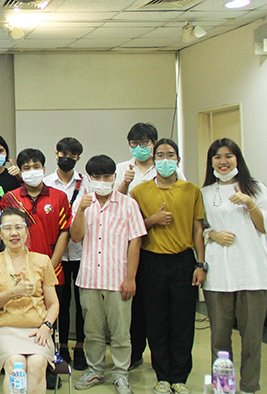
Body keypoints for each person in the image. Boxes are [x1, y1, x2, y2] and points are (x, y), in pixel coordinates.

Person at [129, 138, 206, 394]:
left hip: (183, 261)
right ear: (153, 158)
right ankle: (162, 375)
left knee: (183, 320)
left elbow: (197, 229)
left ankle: (180, 377)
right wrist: (153, 220)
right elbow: (133, 231)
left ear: (177, 159)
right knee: (156, 320)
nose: (165, 159)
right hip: (152, 262)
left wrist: (200, 263)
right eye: (159, 155)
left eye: (170, 154)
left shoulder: (191, 190)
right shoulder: (139, 191)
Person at [69, 155, 147, 394]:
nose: (102, 181)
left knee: (121, 331)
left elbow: (135, 242)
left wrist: (131, 277)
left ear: (115, 177)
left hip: (118, 278)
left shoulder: (128, 204)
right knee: (92, 331)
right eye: (97, 177)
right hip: (89, 278)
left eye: (107, 176)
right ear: (90, 179)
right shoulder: (83, 202)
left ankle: (121, 374)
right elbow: (76, 236)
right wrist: (81, 211)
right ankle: (95, 371)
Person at [111, 123, 185, 370]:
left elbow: (180, 202)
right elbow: (112, 208)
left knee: (158, 306)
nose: (140, 148)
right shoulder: (122, 169)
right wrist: (124, 183)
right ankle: (134, 354)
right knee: (134, 304)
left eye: (145, 143)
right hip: (128, 247)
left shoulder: (169, 167)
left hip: (161, 246)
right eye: (134, 143)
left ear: (154, 143)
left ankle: (162, 358)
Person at [200, 138, 267, 394]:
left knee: (251, 339)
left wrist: (250, 204)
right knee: (219, 338)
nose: (223, 161)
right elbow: (200, 228)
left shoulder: (256, 188)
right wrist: (212, 235)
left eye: (228, 156)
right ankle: (224, 388)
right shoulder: (205, 192)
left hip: (252, 272)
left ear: (237, 159)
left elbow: (263, 227)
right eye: (217, 157)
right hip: (218, 274)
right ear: (211, 162)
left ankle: (249, 387)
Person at [0, 208, 60, 394]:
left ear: (26, 231)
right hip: (2, 328)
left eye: (18, 227)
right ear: (0, 233)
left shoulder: (43, 261)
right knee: (16, 363)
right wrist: (13, 292)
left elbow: (53, 304)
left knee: (37, 363)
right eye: (7, 228)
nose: (14, 233)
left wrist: (46, 326)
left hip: (37, 329)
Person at [42, 137, 91, 369]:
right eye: (63, 153)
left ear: (78, 158)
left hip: (83, 251)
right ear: (56, 153)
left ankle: (80, 345)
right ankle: (61, 345)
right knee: (60, 300)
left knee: (82, 304)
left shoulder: (87, 183)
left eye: (72, 155)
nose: (67, 158)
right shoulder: (46, 182)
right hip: (56, 253)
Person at [0, 148, 71, 286]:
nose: (32, 171)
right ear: (20, 171)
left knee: (54, 307)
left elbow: (64, 233)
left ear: (43, 169)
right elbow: (6, 235)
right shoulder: (10, 198)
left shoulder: (59, 197)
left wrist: (50, 266)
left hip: (52, 270)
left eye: (36, 167)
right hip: (19, 273)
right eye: (27, 168)